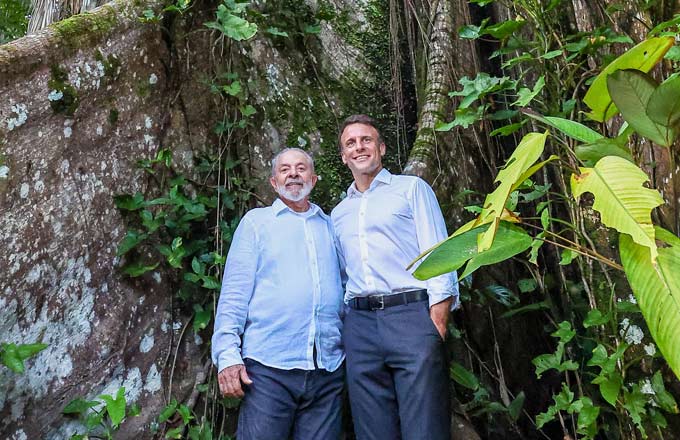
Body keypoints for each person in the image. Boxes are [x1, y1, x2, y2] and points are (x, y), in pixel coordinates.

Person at [331, 114, 459, 440]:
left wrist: (438, 319)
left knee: (425, 425)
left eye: (366, 140)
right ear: (344, 156)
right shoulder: (338, 214)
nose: (359, 147)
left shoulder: (411, 189)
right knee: (372, 428)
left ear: (381, 147)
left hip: (411, 316)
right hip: (360, 325)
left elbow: (439, 254)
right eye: (351, 143)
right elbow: (343, 274)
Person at [211, 147, 345, 440]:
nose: (293, 174)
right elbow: (234, 294)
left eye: (301, 168)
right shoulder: (257, 223)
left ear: (314, 178)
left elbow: (347, 286)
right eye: (285, 169)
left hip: (327, 368)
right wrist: (227, 355)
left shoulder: (331, 226)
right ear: (274, 182)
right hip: (269, 370)